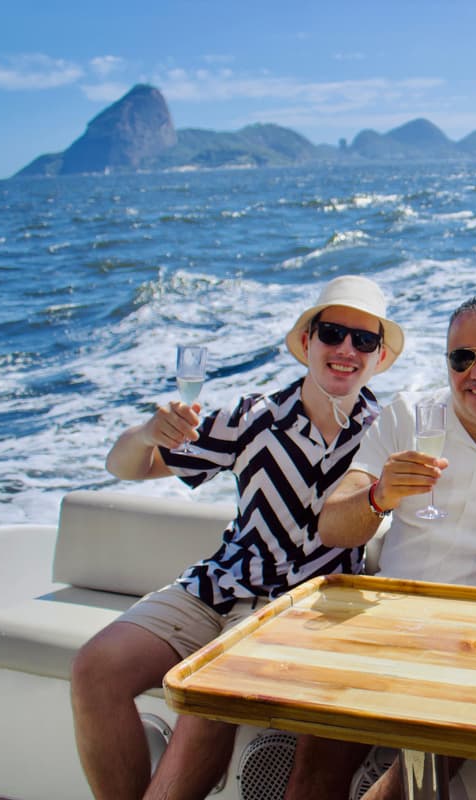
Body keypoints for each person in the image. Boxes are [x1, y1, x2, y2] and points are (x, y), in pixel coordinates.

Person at [70, 275, 404, 800]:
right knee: (95, 669)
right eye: (333, 334)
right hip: (216, 587)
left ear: (379, 356)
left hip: (299, 611)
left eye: (363, 340)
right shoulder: (254, 418)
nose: (346, 350)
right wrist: (144, 434)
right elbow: (128, 467)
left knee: (204, 697)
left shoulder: (386, 433)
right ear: (307, 344)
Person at [292, 295, 476, 800]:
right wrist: (378, 495)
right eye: (462, 358)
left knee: (402, 788)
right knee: (311, 772)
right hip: (387, 620)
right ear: (447, 365)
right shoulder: (409, 416)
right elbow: (333, 526)